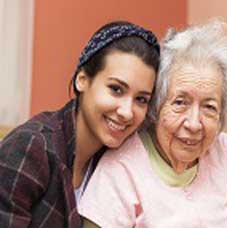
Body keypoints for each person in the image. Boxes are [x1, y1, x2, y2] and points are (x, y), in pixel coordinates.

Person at [78, 19, 227, 227]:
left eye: (209, 107)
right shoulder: (121, 169)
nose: (194, 124)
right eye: (181, 102)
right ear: (157, 105)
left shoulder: (226, 153)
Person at [0, 21, 160, 227]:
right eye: (116, 89)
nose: (127, 112)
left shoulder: (117, 161)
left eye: (141, 99)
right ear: (82, 80)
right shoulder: (31, 147)